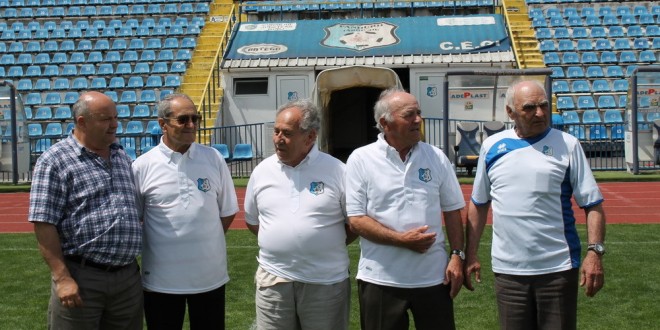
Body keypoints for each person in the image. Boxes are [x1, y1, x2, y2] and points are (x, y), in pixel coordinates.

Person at [464, 80, 606, 330]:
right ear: (510, 112)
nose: (539, 113)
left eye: (543, 105)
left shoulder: (568, 145)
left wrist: (595, 253)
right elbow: (479, 203)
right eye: (529, 107)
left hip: (558, 269)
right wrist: (471, 254)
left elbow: (592, 204)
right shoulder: (492, 146)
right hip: (508, 272)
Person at [345, 88, 466, 330]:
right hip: (380, 279)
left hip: (433, 278)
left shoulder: (437, 157)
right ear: (385, 123)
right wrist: (400, 240)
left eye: (419, 113)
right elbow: (356, 220)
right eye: (410, 114)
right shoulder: (361, 159)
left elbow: (453, 210)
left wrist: (456, 256)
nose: (418, 120)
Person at [29, 91, 143, 329]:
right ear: (82, 121)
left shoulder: (121, 155)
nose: (114, 125)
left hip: (127, 278)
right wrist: (62, 278)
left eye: (115, 117)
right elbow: (43, 223)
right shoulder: (55, 161)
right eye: (105, 119)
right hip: (83, 277)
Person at [244, 99, 356, 330]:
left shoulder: (337, 170)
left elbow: (354, 223)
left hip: (325, 282)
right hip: (273, 282)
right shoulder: (261, 171)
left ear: (310, 137)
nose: (278, 139)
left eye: (286, 133)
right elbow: (254, 221)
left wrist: (322, 245)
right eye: (276, 131)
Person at [132, 93, 239, 329]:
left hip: (210, 278)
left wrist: (204, 239)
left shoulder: (213, 158)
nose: (191, 125)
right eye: (183, 119)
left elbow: (228, 210)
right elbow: (137, 217)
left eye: (195, 118)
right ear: (163, 124)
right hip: (161, 281)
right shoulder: (142, 166)